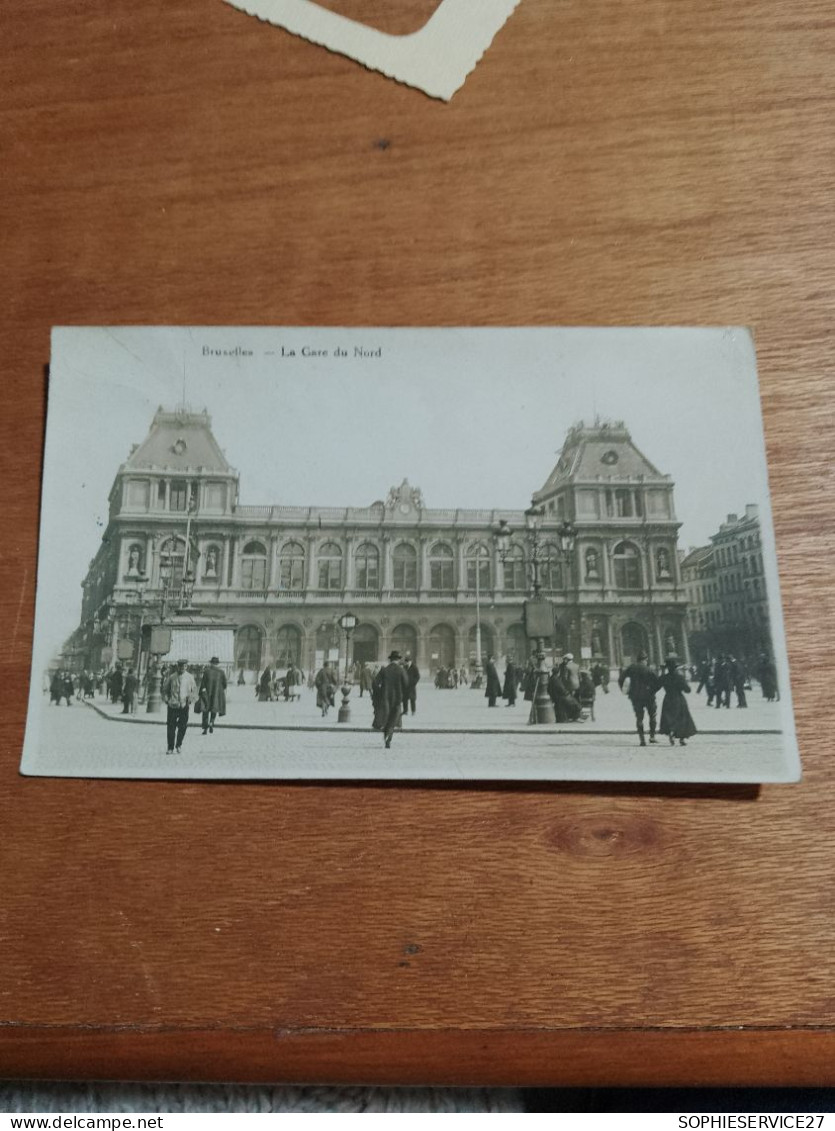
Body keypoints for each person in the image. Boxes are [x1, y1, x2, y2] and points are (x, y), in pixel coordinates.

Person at [618, 650, 661, 747]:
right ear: (645, 659)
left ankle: (642, 740)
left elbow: (621, 679)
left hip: (635, 697)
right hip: (649, 696)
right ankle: (652, 737)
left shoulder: (631, 668)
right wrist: (652, 690)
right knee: (652, 715)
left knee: (639, 718)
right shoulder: (649, 669)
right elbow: (658, 683)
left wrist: (625, 690)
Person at [372, 650, 409, 748]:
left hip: (385, 698)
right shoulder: (401, 670)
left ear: (390, 660)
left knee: (387, 718)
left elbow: (375, 683)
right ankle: (389, 737)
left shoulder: (384, 670)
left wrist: (379, 693)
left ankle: (386, 735)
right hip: (397, 699)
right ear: (398, 660)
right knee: (393, 719)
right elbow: (406, 685)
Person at [658, 657, 698, 746]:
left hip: (668, 698)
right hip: (678, 699)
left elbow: (657, 685)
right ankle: (682, 739)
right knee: (682, 718)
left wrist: (662, 672)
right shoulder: (679, 677)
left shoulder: (665, 677)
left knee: (669, 717)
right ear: (675, 668)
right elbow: (688, 690)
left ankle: (671, 731)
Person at [162, 658, 198, 755]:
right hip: (172, 705)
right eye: (180, 666)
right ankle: (170, 747)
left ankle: (178, 745)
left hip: (184, 705)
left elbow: (194, 690)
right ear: (177, 666)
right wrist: (166, 699)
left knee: (182, 727)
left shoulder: (190, 677)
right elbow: (165, 689)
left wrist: (190, 699)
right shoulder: (172, 677)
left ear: (186, 667)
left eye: (184, 666)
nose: (182, 668)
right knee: (171, 727)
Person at [199, 656, 227, 734]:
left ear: (211, 663)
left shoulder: (207, 671)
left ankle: (205, 728)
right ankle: (211, 722)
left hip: (207, 694)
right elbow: (225, 684)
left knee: (205, 710)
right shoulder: (221, 672)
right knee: (214, 709)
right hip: (217, 694)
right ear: (217, 664)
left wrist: (201, 693)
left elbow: (203, 683)